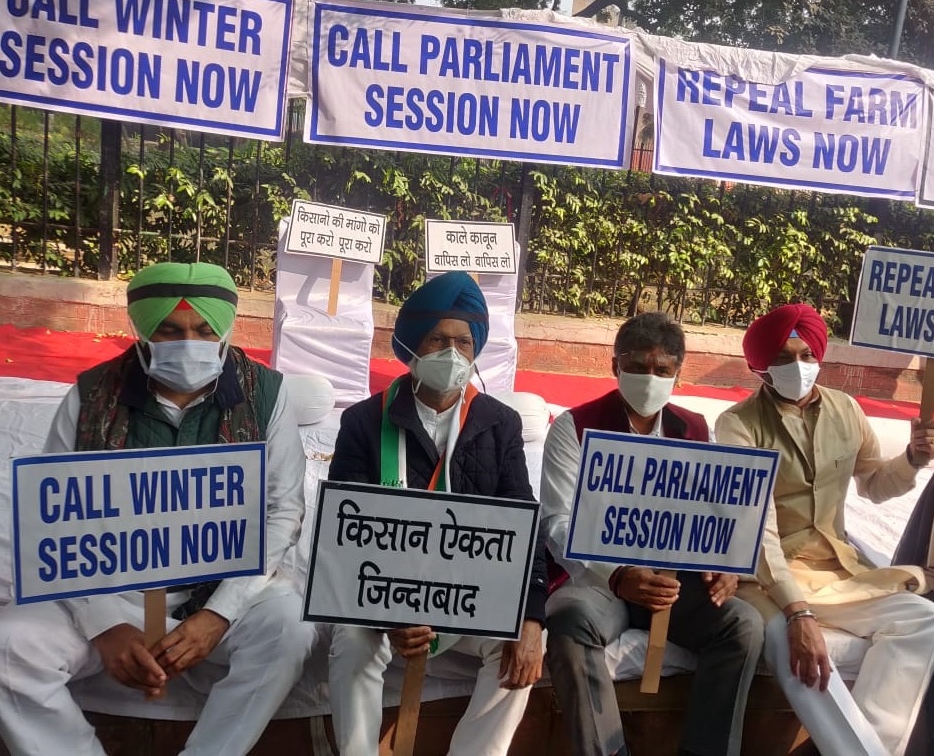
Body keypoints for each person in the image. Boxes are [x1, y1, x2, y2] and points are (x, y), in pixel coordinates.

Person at [0, 262, 316, 756]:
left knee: (290, 629)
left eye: (204, 329)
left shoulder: (266, 396)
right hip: (111, 589)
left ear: (226, 329)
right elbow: (55, 517)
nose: (188, 342)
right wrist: (104, 623)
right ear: (141, 329)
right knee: (8, 647)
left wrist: (218, 616)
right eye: (170, 330)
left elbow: (281, 513)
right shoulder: (91, 394)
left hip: (218, 589)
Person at [327, 271, 548, 755]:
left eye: (464, 342)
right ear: (410, 347)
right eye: (437, 339)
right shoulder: (365, 421)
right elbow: (345, 536)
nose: (452, 353)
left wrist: (531, 617)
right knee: (351, 644)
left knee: (520, 649)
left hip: (471, 597)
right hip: (382, 595)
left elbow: (522, 521)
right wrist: (389, 613)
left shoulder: (499, 423)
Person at [715, 302, 934, 756]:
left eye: (806, 355)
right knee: (798, 652)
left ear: (819, 356)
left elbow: (874, 484)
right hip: (769, 580)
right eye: (782, 358)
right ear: (760, 369)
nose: (798, 366)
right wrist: (798, 614)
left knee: (925, 623)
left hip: (837, 570)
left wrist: (912, 459)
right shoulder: (737, 425)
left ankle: (869, 746)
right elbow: (758, 530)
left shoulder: (847, 410)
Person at [541, 311, 764, 756]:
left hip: (673, 583)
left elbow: (716, 513)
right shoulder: (574, 427)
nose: (650, 378)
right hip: (600, 581)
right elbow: (556, 523)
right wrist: (618, 574)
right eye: (638, 366)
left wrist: (725, 566)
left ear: (678, 375)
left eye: (662, 370)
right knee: (568, 620)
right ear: (615, 366)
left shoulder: (696, 429)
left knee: (744, 625)